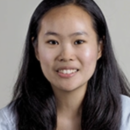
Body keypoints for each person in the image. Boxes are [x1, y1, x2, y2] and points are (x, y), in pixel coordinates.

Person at [0, 0, 130, 130]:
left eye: (79, 41)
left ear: (100, 48)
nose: (66, 55)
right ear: (36, 49)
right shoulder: (9, 123)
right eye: (52, 42)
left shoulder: (126, 117)